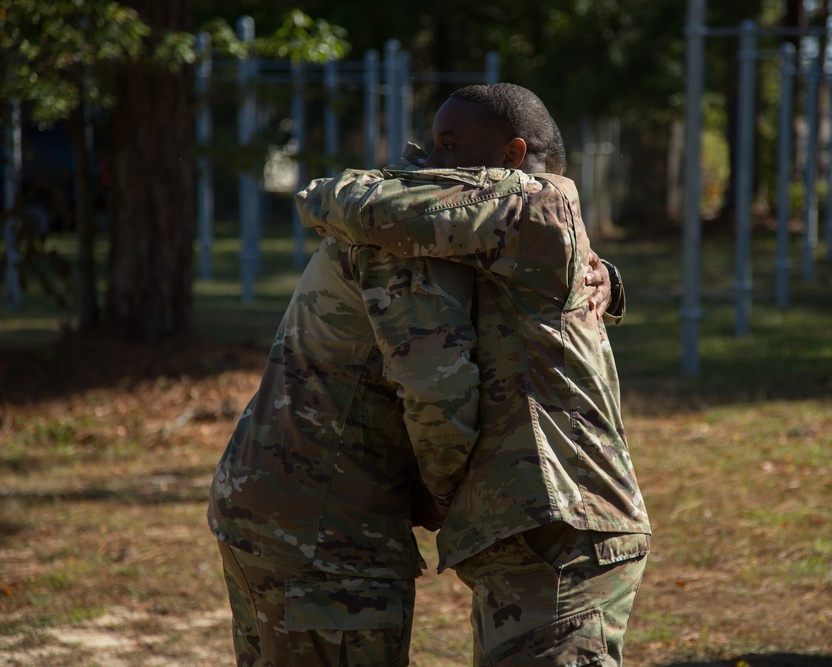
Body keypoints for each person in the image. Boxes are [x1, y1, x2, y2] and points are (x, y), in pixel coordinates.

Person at [207, 156, 618, 663]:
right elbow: (436, 396)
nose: (446, 164)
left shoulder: (445, 223)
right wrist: (449, 497)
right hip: (328, 533)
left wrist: (600, 275)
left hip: (278, 505)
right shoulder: (408, 238)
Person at [297, 82, 651, 666]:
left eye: (450, 147)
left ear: (513, 155)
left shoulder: (530, 202)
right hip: (534, 526)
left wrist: (321, 194)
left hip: (563, 526)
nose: (437, 165)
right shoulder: (503, 224)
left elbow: (382, 210)